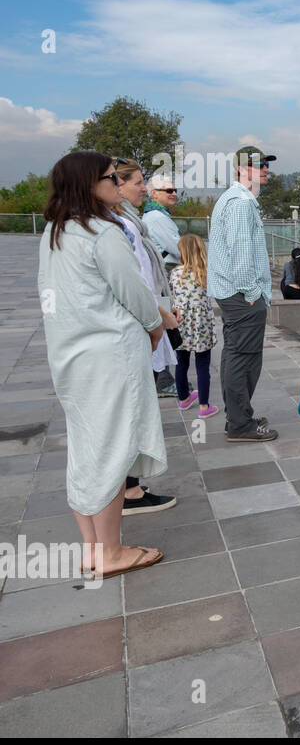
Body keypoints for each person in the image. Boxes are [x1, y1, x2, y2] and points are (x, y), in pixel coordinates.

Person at [37, 151, 165, 577]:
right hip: (110, 357)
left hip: (71, 358)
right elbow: (133, 289)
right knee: (112, 451)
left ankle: (94, 548)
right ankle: (111, 552)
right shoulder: (101, 231)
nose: (117, 184)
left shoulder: (56, 231)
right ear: (89, 184)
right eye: (111, 178)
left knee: (86, 450)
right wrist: (155, 325)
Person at [114, 158, 180, 515]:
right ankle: (129, 491)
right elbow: (136, 281)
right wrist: (160, 319)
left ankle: (130, 487)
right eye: (138, 183)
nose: (145, 189)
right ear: (117, 184)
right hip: (140, 328)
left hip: (145, 322)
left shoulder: (129, 221)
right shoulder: (122, 224)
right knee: (133, 411)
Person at [209, 145, 277, 442]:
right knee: (244, 359)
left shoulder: (235, 199)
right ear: (241, 169)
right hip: (242, 295)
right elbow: (241, 253)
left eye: (266, 164)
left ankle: (237, 416)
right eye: (259, 164)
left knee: (235, 356)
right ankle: (240, 424)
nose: (265, 169)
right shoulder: (240, 202)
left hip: (234, 294)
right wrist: (252, 293)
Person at [170, 234, 219, 418]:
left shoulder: (175, 273)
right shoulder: (206, 271)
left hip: (181, 321)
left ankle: (184, 399)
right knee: (202, 364)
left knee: (181, 362)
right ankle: (204, 407)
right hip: (201, 323)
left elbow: (173, 295)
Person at [141, 172, 182, 268]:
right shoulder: (158, 218)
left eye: (175, 190)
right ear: (154, 193)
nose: (174, 193)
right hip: (167, 268)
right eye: (169, 190)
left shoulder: (151, 214)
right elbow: (178, 249)